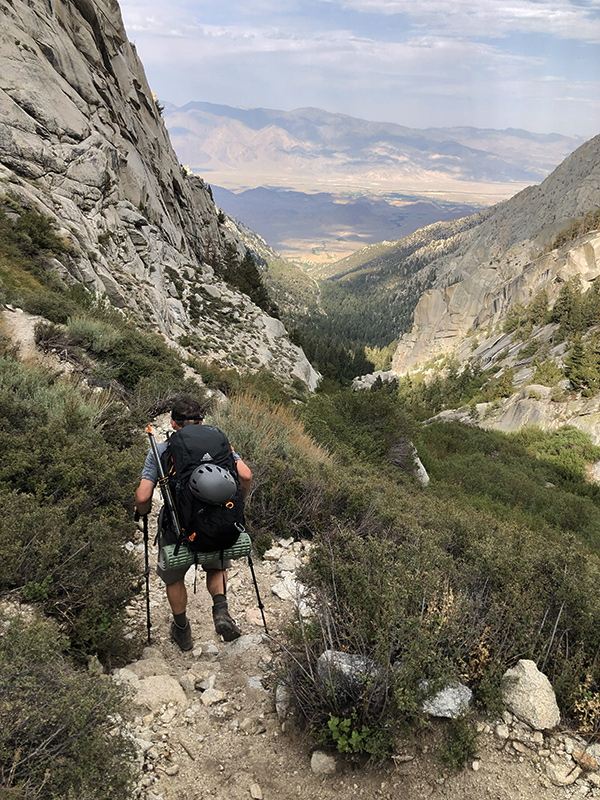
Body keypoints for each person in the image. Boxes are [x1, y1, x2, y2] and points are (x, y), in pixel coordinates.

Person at [134, 395, 252, 651]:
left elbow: (143, 496)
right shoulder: (219, 444)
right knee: (216, 564)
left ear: (173, 423)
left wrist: (141, 511)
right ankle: (221, 611)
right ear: (201, 421)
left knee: (174, 577)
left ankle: (182, 630)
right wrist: (238, 504)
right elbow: (245, 475)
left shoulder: (161, 450)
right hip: (217, 521)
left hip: (179, 527)